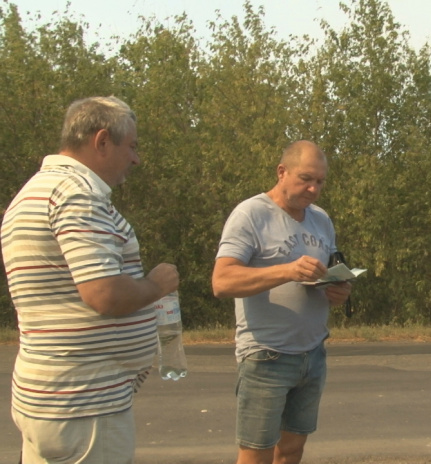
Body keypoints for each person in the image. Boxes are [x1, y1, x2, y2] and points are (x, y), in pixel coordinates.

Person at [1, 96, 180, 463]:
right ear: (102, 141)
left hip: (54, 397)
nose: (135, 159)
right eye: (131, 146)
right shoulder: (77, 194)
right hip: (84, 405)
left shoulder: (38, 190)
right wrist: (156, 285)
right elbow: (104, 293)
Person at [211, 140, 352, 464]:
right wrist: (287, 270)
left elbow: (330, 276)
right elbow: (222, 282)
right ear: (281, 172)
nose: (314, 189)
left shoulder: (321, 219)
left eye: (320, 181)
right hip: (266, 355)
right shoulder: (251, 214)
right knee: (255, 454)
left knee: (291, 450)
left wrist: (339, 292)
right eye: (306, 179)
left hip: (312, 354)